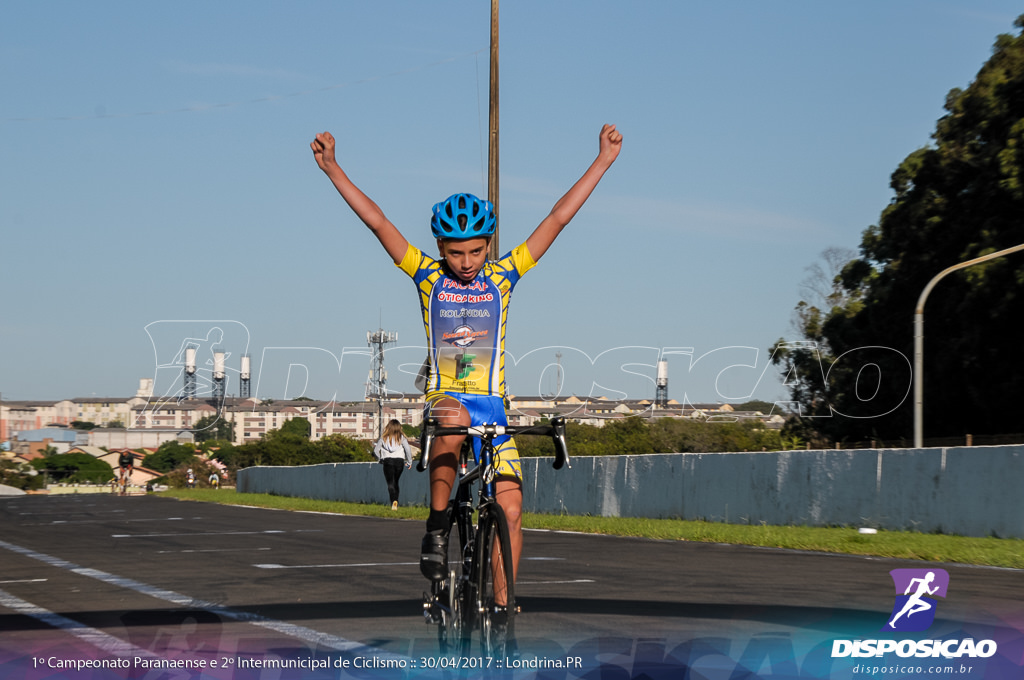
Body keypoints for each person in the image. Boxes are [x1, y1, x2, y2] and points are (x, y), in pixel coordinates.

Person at [311, 123, 622, 587]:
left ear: (489, 245)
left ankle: (501, 608)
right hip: (446, 401)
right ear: (440, 248)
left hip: (493, 407)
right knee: (453, 418)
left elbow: (556, 219)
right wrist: (334, 169)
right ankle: (436, 528)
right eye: (455, 252)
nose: (466, 261)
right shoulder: (427, 277)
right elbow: (378, 221)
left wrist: (602, 162)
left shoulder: (503, 278)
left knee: (512, 510)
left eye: (476, 250)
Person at [373, 419, 414, 510]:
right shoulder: (401, 438)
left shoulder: (383, 438)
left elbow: (376, 451)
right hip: (399, 462)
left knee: (390, 483)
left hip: (387, 461)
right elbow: (408, 450)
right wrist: (409, 462)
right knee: (396, 481)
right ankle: (396, 501)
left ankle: (393, 501)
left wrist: (380, 459)